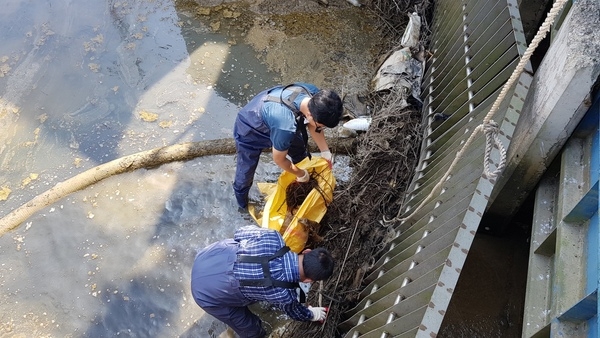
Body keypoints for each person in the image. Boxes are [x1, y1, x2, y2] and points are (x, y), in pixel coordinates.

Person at [191, 225, 334, 338]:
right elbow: (296, 313)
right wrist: (312, 314)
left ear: (306, 251)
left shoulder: (274, 236)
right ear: (309, 280)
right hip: (204, 295)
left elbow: (239, 233)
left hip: (206, 257)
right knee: (253, 331)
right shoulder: (284, 294)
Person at [233, 82, 343, 209]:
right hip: (251, 128)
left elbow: (314, 125)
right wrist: (301, 174)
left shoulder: (314, 95)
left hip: (278, 117)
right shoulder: (285, 127)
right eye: (322, 126)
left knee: (300, 152)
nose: (321, 128)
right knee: (245, 171)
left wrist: (325, 151)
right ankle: (242, 204)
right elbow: (279, 159)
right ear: (310, 115)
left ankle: (306, 188)